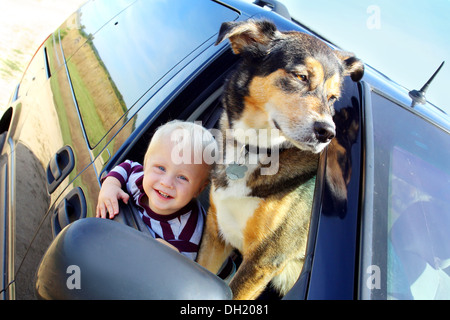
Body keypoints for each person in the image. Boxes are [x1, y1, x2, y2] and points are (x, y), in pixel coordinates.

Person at [96, 120, 217, 260]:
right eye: (161, 168)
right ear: (146, 164)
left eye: (182, 177)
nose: (166, 183)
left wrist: (173, 257)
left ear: (199, 189)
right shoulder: (139, 180)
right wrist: (110, 185)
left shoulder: (187, 234)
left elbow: (182, 272)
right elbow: (127, 166)